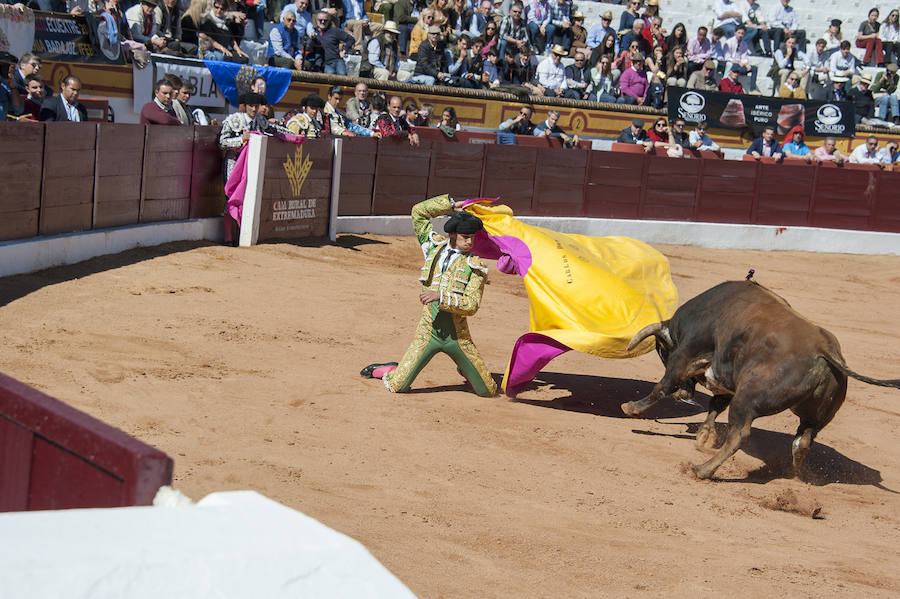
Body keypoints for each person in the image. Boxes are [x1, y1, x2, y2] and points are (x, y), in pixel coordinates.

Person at [361, 196, 497, 398]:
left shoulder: (476, 266)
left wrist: (441, 296)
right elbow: (418, 212)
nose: (470, 241)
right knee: (398, 386)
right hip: (428, 332)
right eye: (465, 237)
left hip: (458, 338)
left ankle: (466, 369)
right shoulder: (433, 247)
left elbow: (472, 305)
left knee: (489, 391)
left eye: (472, 237)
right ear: (452, 235)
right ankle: (388, 370)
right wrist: (450, 206)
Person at [309, 10, 356, 74]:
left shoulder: (334, 31)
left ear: (329, 21)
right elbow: (309, 46)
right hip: (325, 63)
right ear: (316, 20)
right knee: (330, 74)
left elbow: (351, 39)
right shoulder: (313, 32)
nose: (323, 22)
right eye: (320, 20)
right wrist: (312, 39)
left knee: (342, 74)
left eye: (325, 20)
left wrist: (344, 50)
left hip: (337, 60)